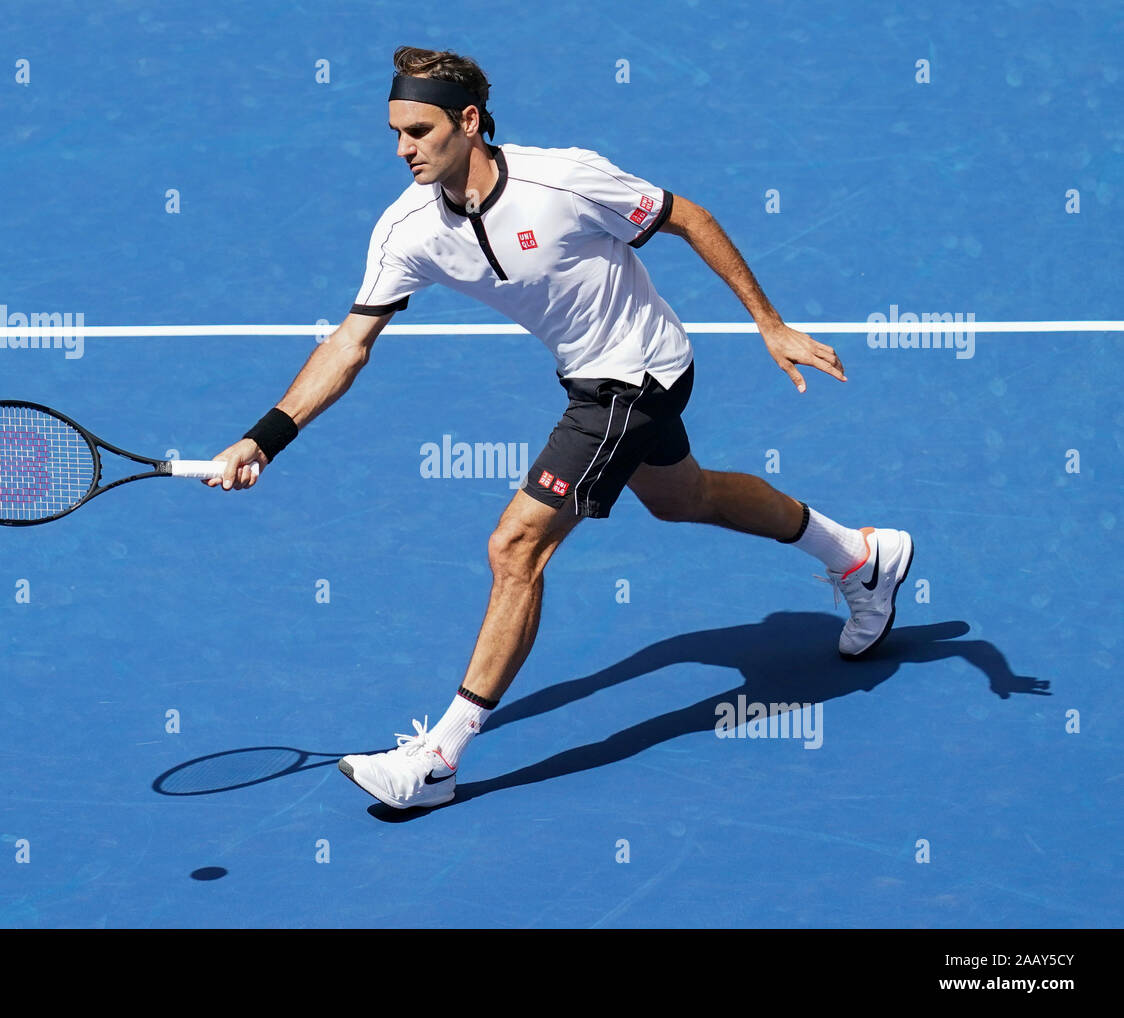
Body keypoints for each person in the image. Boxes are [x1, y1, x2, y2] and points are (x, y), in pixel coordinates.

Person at [207, 46, 914, 810]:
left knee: (515, 546)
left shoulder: (562, 180)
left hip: (636, 375)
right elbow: (348, 344)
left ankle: (439, 760)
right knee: (686, 499)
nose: (402, 149)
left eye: (418, 130)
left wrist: (767, 324)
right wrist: (264, 437)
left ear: (469, 122)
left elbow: (688, 217)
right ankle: (860, 556)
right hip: (591, 376)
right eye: (394, 132)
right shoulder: (405, 228)